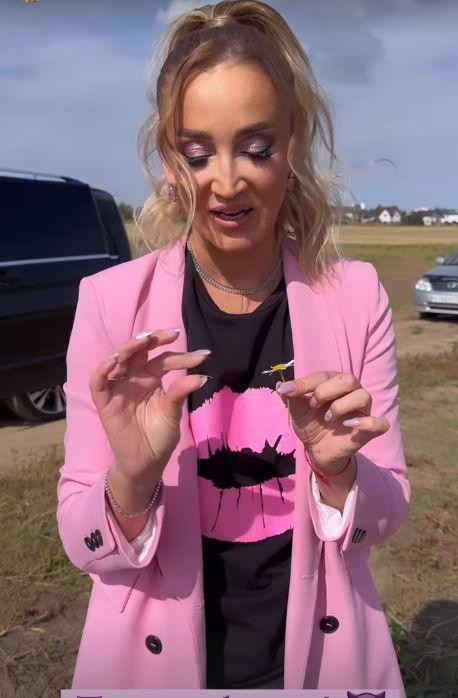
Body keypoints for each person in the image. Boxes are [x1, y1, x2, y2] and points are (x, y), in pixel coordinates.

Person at [57, 0, 411, 693]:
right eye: (197, 153)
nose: (226, 182)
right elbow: (82, 542)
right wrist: (131, 477)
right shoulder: (110, 304)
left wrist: (341, 472)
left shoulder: (356, 296)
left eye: (256, 148)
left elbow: (387, 511)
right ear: (169, 161)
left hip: (315, 663)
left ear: (292, 147)